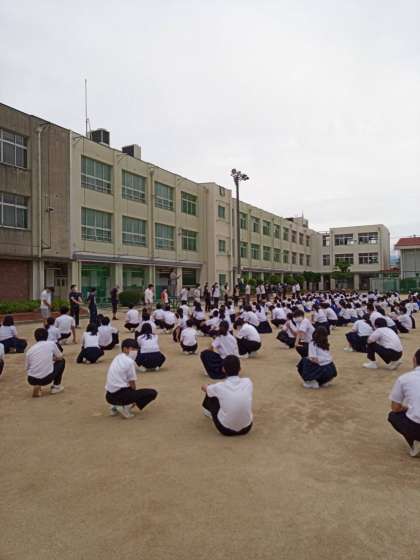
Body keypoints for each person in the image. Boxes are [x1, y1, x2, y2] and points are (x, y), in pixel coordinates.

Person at [201, 354, 253, 437]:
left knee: (211, 393)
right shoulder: (248, 382)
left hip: (225, 430)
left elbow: (204, 388)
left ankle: (208, 412)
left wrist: (207, 386)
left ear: (223, 369)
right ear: (240, 369)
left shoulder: (220, 386)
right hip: (247, 427)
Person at [105, 338, 158, 419]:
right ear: (125, 349)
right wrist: (133, 397)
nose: (135, 351)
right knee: (152, 393)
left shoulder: (117, 357)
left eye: (136, 349)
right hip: (120, 395)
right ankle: (126, 407)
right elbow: (132, 382)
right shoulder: (129, 361)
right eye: (133, 349)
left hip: (109, 396)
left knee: (126, 388)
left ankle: (115, 405)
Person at [388, 349, 420, 457]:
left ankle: (415, 443)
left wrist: (408, 408)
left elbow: (395, 408)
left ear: (414, 360)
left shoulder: (405, 378)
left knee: (393, 416)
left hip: (416, 427)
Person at [26, 327, 66, 397]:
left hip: (31, 379)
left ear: (35, 337)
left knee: (38, 366)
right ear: (47, 336)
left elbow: (27, 367)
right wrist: (52, 359)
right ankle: (56, 387)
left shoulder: (30, 350)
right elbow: (60, 356)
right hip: (46, 379)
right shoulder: (51, 344)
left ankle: (37, 385)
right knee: (62, 361)